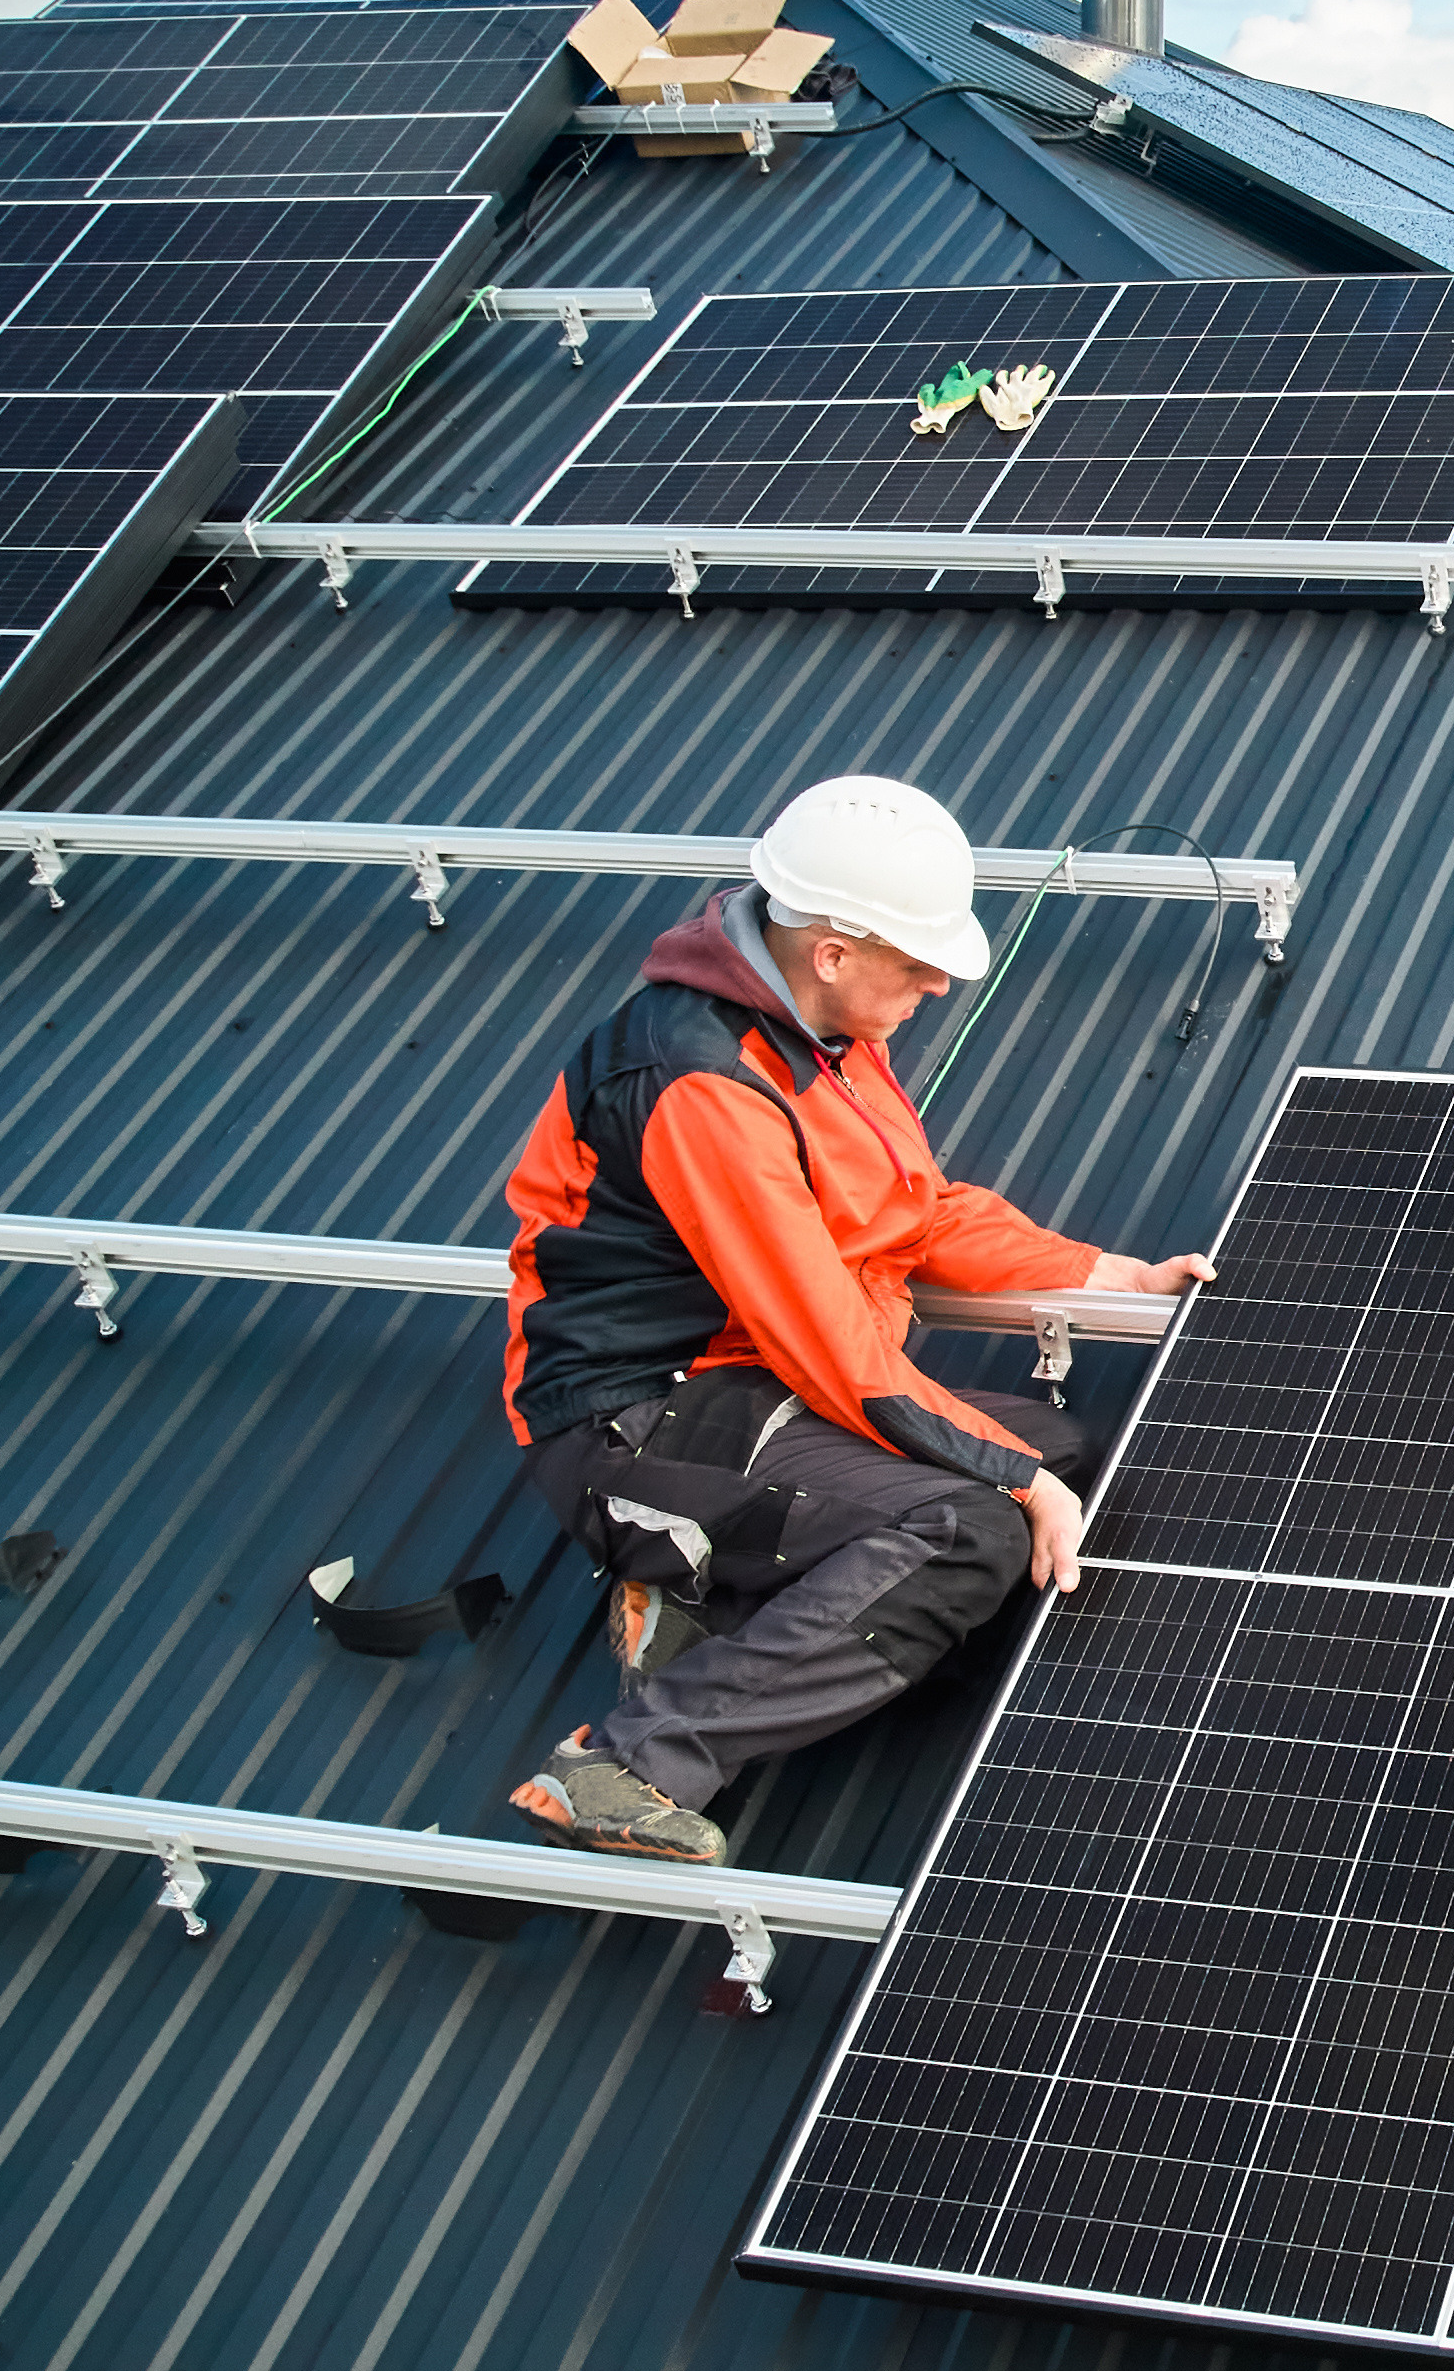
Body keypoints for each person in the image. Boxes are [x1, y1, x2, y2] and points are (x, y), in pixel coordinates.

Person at [491, 775, 1210, 1864]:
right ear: (831, 949)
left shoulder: (817, 1030)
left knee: (1057, 1445)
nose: (934, 985)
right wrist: (1012, 1482)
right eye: (917, 964)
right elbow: (830, 1340)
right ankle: (634, 1762)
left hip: (746, 1386)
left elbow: (906, 1210)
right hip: (634, 1421)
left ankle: (699, 1600)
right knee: (978, 1525)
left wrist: (1108, 1273)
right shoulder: (702, 1085)